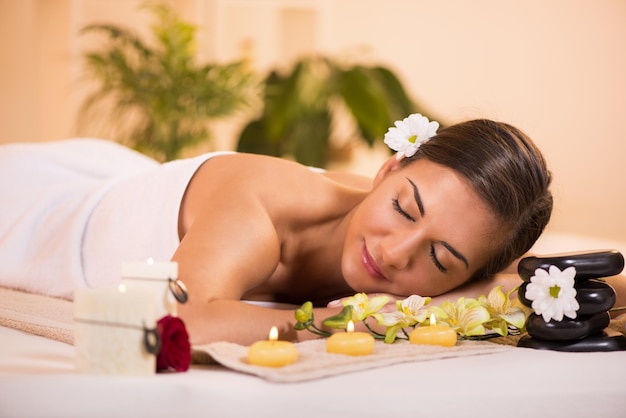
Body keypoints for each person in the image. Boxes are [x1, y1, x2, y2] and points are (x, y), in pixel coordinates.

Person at [0, 115, 556, 345]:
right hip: (36, 210)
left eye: (440, 261)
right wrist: (337, 322)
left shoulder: (411, 225)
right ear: (386, 170)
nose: (393, 253)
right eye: (404, 209)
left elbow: (552, 280)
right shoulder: (259, 209)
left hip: (127, 175)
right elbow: (166, 324)